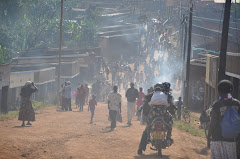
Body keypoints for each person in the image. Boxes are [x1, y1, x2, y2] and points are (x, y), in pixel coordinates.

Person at [138, 83, 174, 155]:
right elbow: (170, 106)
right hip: (163, 114)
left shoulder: (152, 94)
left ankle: (141, 148)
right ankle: (169, 136)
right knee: (170, 123)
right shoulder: (166, 95)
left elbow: (147, 103)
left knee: (147, 128)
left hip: (153, 114)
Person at [207, 80, 240, 159]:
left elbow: (213, 122)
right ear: (231, 90)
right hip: (232, 141)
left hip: (217, 139)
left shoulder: (217, 104)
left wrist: (208, 136)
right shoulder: (237, 104)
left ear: (219, 91)